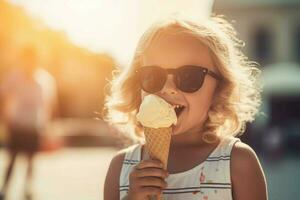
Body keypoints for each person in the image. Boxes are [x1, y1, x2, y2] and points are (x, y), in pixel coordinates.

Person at [103, 15, 267, 200]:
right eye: (153, 76)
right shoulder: (121, 167)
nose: (168, 89)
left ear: (219, 88)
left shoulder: (237, 163)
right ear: (137, 85)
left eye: (189, 76)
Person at [0, 46, 58, 200]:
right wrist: (6, 120)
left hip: (34, 127)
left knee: (31, 161)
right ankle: (4, 189)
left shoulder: (44, 79)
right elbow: (3, 96)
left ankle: (28, 190)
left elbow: (48, 106)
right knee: (12, 159)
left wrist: (47, 127)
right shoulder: (14, 76)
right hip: (17, 125)